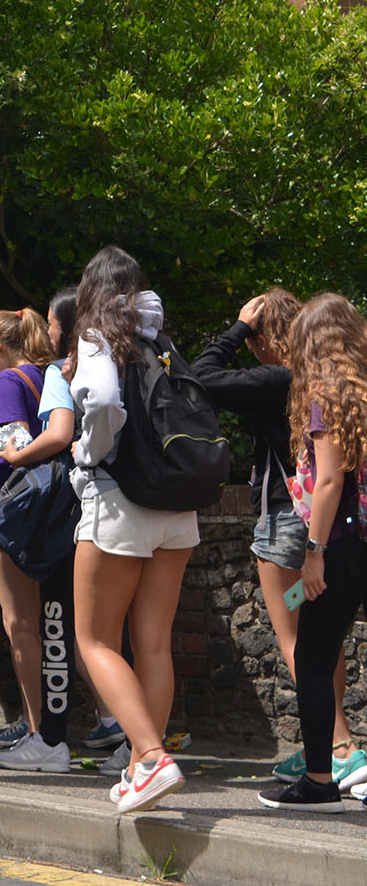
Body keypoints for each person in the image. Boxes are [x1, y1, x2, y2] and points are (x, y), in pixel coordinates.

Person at [196, 288, 362, 788]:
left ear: (267, 338)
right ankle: (326, 745)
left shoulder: (281, 380)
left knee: (299, 643)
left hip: (290, 523)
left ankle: (338, 748)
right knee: (325, 640)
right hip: (334, 527)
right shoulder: (348, 383)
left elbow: (200, 377)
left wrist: (238, 329)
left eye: (255, 342)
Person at [70, 245, 195, 813]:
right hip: (176, 504)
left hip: (120, 501)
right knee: (154, 644)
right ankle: (142, 766)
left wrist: (88, 452)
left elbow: (101, 400)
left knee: (94, 639)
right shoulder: (158, 337)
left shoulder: (97, 335)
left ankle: (149, 757)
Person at [0, 286, 120, 773]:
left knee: (57, 627)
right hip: (125, 506)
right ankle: (130, 737)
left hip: (71, 513)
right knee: (109, 632)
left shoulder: (59, 372)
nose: (47, 331)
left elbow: (61, 434)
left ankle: (51, 740)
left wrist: (15, 455)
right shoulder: (117, 359)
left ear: (66, 326)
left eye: (52, 322)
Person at [261, 293, 367, 811]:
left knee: (313, 657)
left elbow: (328, 481)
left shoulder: (326, 395)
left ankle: (320, 780)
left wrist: (314, 553)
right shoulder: (363, 391)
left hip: (343, 545)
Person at [0, 307, 62, 756]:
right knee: (60, 624)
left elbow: (16, 442)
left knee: (20, 623)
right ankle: (101, 721)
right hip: (55, 509)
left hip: (15, 508)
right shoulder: (50, 374)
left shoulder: (9, 379)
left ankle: (35, 727)